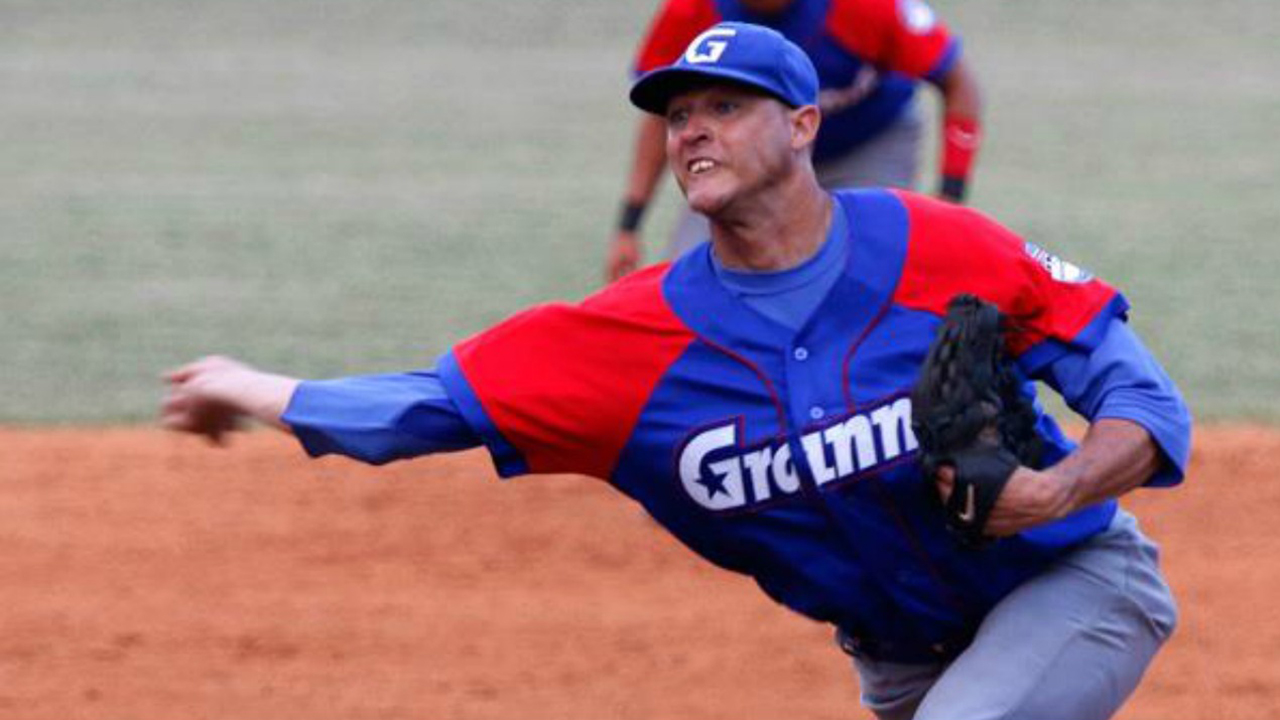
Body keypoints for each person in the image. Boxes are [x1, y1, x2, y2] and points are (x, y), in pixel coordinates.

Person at [162, 24, 1190, 720]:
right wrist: (250, 387)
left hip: (1069, 583)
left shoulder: (940, 249)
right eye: (677, 113)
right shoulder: (625, 340)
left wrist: (1057, 488)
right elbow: (430, 407)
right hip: (901, 660)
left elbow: (1138, 395)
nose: (690, 127)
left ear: (801, 126)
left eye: (725, 105)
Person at [604, 0, 983, 282]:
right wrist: (629, 225)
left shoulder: (868, 8)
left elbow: (958, 82)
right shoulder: (693, 11)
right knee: (690, 279)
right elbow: (660, 116)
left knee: (870, 269)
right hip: (744, 153)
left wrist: (949, 199)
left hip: (865, 142)